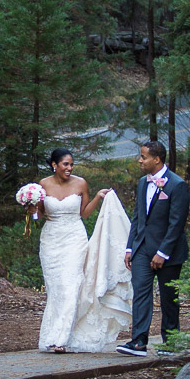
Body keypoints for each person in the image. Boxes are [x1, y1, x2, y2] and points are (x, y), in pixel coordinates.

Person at [34, 148, 133, 352]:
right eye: (65, 164)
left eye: (71, 164)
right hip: (51, 239)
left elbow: (84, 214)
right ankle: (53, 334)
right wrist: (31, 208)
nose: (69, 168)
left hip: (74, 239)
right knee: (56, 289)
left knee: (71, 284)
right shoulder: (43, 184)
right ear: (54, 165)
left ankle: (62, 339)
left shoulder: (81, 183)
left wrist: (96, 197)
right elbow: (38, 217)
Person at [117, 140, 190, 356]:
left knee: (169, 298)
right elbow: (138, 217)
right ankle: (138, 341)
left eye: (143, 157)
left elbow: (176, 223)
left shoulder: (177, 185)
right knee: (140, 292)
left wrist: (163, 253)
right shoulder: (142, 183)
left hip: (169, 252)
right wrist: (130, 247)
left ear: (156, 159)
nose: (140, 160)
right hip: (142, 248)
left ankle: (171, 342)